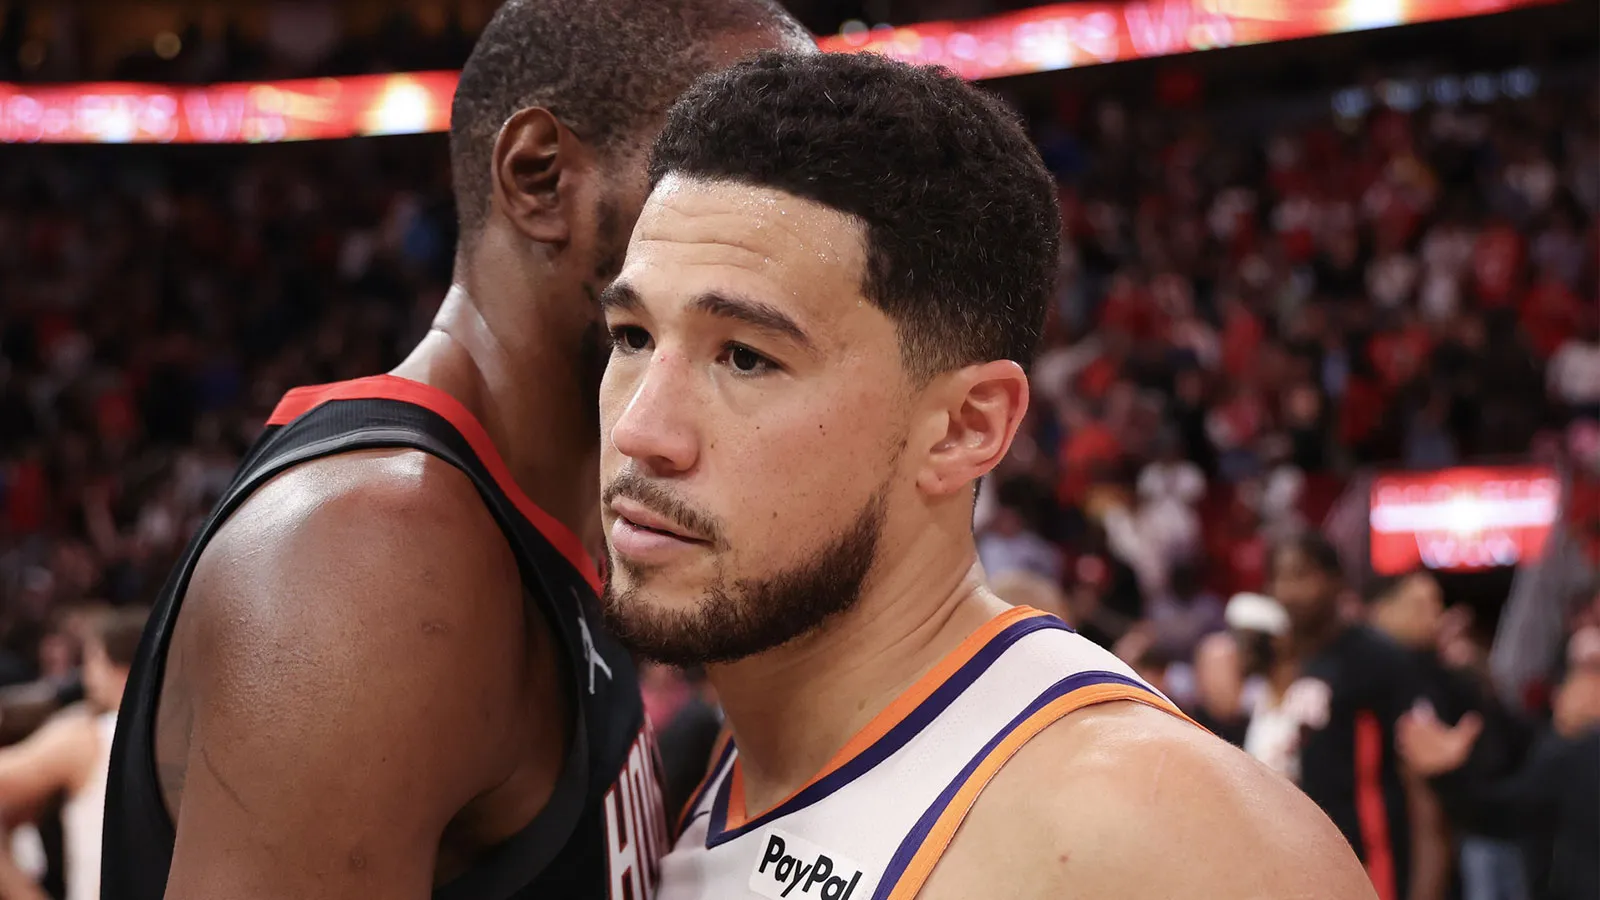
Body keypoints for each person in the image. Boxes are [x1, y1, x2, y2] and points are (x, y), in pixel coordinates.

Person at [596, 51, 1374, 900]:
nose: (641, 429)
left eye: (746, 357)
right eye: (632, 337)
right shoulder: (698, 768)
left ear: (966, 427)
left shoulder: (1179, 846)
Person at [101, 3, 814, 898]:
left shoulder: (548, 527)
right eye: (740, 168)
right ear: (539, 178)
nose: (796, 230)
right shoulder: (379, 556)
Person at [1260, 534, 1452, 900]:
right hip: (1303, 860)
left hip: (1371, 863)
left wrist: (1426, 886)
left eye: (1301, 575)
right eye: (1279, 578)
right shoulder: (1282, 661)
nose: (1289, 592)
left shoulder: (1377, 659)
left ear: (1335, 580)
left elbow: (1423, 789)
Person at [1398, 627, 1600, 900]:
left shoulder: (1577, 754)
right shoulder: (1560, 750)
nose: (1586, 686)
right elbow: (1501, 812)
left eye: (1594, 672)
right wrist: (1446, 774)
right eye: (1580, 672)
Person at [0, 607, 145, 900]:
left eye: (92, 661)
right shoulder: (195, 739)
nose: (86, 677)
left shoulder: (89, 737)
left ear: (120, 670)